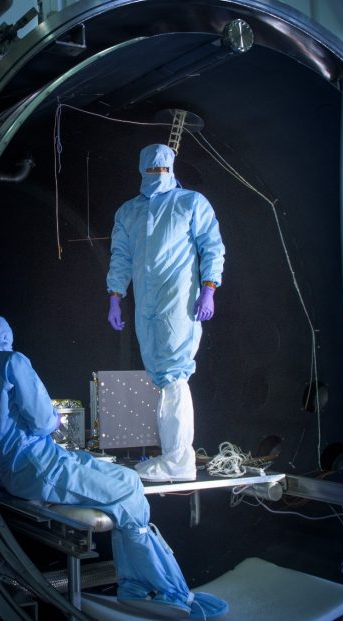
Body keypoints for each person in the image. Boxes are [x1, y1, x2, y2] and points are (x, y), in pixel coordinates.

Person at [0, 315, 228, 619]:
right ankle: (159, 590)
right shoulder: (12, 361)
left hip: (16, 473)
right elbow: (43, 420)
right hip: (40, 466)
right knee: (130, 486)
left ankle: (143, 585)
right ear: (6, 335)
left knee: (123, 483)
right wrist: (51, 422)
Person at [106, 143, 225, 482]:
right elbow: (121, 256)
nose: (156, 176)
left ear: (171, 169)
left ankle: (178, 460)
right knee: (159, 376)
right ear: (141, 171)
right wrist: (115, 296)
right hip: (146, 302)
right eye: (151, 171)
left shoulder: (190, 203)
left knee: (174, 374)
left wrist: (208, 289)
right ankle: (170, 456)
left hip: (177, 298)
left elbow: (211, 246)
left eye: (161, 170)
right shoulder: (128, 212)